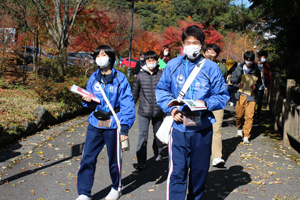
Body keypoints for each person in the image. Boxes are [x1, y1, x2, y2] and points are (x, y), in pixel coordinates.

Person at [155, 25, 229, 200]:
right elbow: (162, 90)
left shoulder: (211, 68)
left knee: (199, 172)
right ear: (182, 44)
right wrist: (172, 108)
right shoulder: (173, 64)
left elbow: (222, 96)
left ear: (202, 44)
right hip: (179, 129)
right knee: (177, 171)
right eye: (187, 42)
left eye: (195, 42)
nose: (191, 46)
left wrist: (206, 103)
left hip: (202, 128)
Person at [76, 45, 135, 200]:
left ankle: (116, 187)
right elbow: (90, 100)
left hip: (113, 123)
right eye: (97, 55)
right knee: (87, 157)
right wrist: (86, 100)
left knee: (114, 159)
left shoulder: (120, 78)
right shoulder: (93, 77)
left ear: (110, 57)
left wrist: (125, 129)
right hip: (95, 122)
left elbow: (127, 104)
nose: (100, 58)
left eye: (103, 55)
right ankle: (84, 193)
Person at [132, 51, 164, 170]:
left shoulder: (162, 74)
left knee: (158, 135)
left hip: (159, 110)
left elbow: (167, 91)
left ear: (157, 61)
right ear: (145, 62)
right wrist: (129, 109)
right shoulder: (140, 76)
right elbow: (134, 94)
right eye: (149, 61)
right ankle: (141, 161)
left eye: (153, 60)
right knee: (143, 135)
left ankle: (158, 152)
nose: (151, 63)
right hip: (143, 111)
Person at [203, 44, 228, 167]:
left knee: (216, 129)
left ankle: (217, 156)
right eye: (208, 50)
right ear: (204, 52)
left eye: (213, 51)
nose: (210, 52)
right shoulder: (196, 65)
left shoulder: (222, 68)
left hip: (216, 102)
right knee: (197, 128)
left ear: (217, 55)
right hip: (199, 102)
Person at [230, 51, 262, 144]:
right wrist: (237, 85)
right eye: (247, 60)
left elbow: (259, 82)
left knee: (249, 116)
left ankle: (246, 135)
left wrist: (256, 87)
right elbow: (233, 80)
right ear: (244, 59)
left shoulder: (256, 69)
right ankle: (239, 128)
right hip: (240, 95)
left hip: (251, 96)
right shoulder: (239, 68)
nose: (249, 62)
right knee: (239, 115)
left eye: (251, 60)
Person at [255, 50, 271, 122]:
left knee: (259, 101)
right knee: (253, 100)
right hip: (254, 84)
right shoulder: (255, 64)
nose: (263, 58)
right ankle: (251, 114)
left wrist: (267, 85)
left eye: (265, 57)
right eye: (262, 57)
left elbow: (268, 76)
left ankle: (257, 115)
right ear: (260, 57)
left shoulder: (267, 66)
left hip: (262, 85)